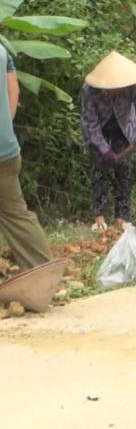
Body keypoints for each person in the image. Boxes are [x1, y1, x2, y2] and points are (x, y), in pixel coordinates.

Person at [79, 51, 136, 233]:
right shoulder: (90, 90)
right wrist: (104, 149)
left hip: (124, 129)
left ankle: (122, 218)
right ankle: (100, 218)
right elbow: (89, 123)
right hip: (99, 130)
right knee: (98, 172)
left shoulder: (132, 86)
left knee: (124, 172)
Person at [0, 43, 53, 271]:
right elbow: (14, 90)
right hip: (6, 150)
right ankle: (44, 272)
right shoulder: (2, 50)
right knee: (17, 216)